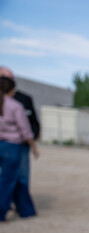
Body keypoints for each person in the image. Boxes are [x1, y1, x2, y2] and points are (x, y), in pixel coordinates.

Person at [0, 76, 39, 222]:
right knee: (11, 180)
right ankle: (10, 211)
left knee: (6, 179)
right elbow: (25, 129)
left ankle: (26, 210)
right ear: (11, 90)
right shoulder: (15, 106)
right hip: (12, 146)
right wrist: (33, 145)